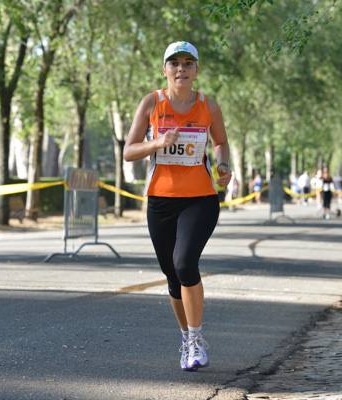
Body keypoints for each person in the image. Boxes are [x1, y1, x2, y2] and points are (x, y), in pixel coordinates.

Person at [123, 41, 231, 372]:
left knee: (185, 264)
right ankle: (186, 338)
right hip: (160, 200)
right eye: (174, 63)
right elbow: (129, 151)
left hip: (200, 198)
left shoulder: (207, 106)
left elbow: (221, 143)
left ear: (197, 70)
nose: (181, 69)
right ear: (165, 70)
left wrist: (223, 166)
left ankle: (197, 341)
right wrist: (159, 142)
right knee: (172, 275)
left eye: (188, 63)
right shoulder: (151, 103)